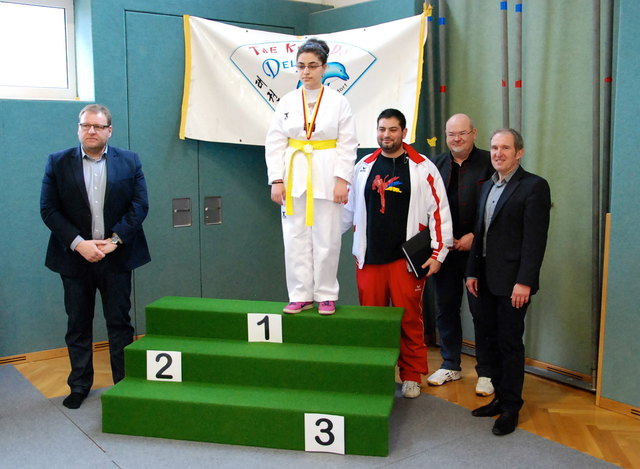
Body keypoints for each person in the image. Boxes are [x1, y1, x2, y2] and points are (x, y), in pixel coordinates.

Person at [40, 104, 150, 409]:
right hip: (75, 258)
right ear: (78, 128)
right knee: (78, 323)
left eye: (98, 126)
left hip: (117, 256)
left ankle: (124, 385)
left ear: (109, 131)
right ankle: (79, 385)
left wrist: (114, 241)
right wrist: (79, 244)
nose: (91, 131)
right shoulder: (57, 162)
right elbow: (49, 209)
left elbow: (139, 206)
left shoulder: (129, 161)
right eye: (86, 125)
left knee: (120, 323)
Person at [343, 109, 453, 398]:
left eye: (393, 130)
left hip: (406, 262)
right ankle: (375, 374)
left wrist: (439, 254)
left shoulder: (423, 167)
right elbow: (347, 211)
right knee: (372, 323)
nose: (386, 135)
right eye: (382, 129)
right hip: (370, 259)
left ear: (404, 132)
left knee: (409, 320)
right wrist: (321, 235)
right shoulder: (363, 167)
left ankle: (411, 375)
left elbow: (439, 212)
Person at [465, 128, 551, 435]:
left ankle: (511, 407)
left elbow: (535, 240)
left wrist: (524, 282)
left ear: (519, 153)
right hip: (485, 280)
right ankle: (499, 399)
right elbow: (480, 234)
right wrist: (472, 272)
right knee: (489, 341)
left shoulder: (534, 186)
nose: (498, 153)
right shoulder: (488, 186)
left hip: (514, 284)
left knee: (510, 344)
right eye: (494, 148)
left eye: (505, 148)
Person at [265, 38, 358, 316]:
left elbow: (348, 143)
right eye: (301, 66)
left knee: (327, 238)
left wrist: (342, 180)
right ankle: (300, 294)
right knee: (295, 239)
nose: (306, 71)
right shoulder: (287, 101)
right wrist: (277, 179)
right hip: (294, 175)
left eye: (313, 66)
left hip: (327, 175)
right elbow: (275, 142)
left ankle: (326, 294)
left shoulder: (339, 102)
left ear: (324, 68)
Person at [427, 114, 495, 396]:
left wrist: (475, 238)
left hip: (478, 252)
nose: (456, 139)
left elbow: (499, 205)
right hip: (444, 251)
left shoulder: (490, 162)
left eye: (462, 133)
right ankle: (450, 364)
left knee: (482, 312)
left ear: (474, 133)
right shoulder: (435, 165)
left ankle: (487, 372)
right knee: (445, 309)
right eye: (451, 134)